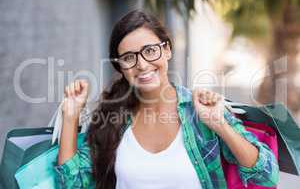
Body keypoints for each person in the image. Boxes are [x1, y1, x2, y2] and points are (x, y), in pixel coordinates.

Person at [54, 10, 279, 189]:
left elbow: (267, 176)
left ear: (167, 50)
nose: (142, 64)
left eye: (150, 51)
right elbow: (71, 184)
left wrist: (220, 124)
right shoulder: (111, 119)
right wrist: (71, 117)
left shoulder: (200, 110)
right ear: (121, 68)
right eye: (129, 58)